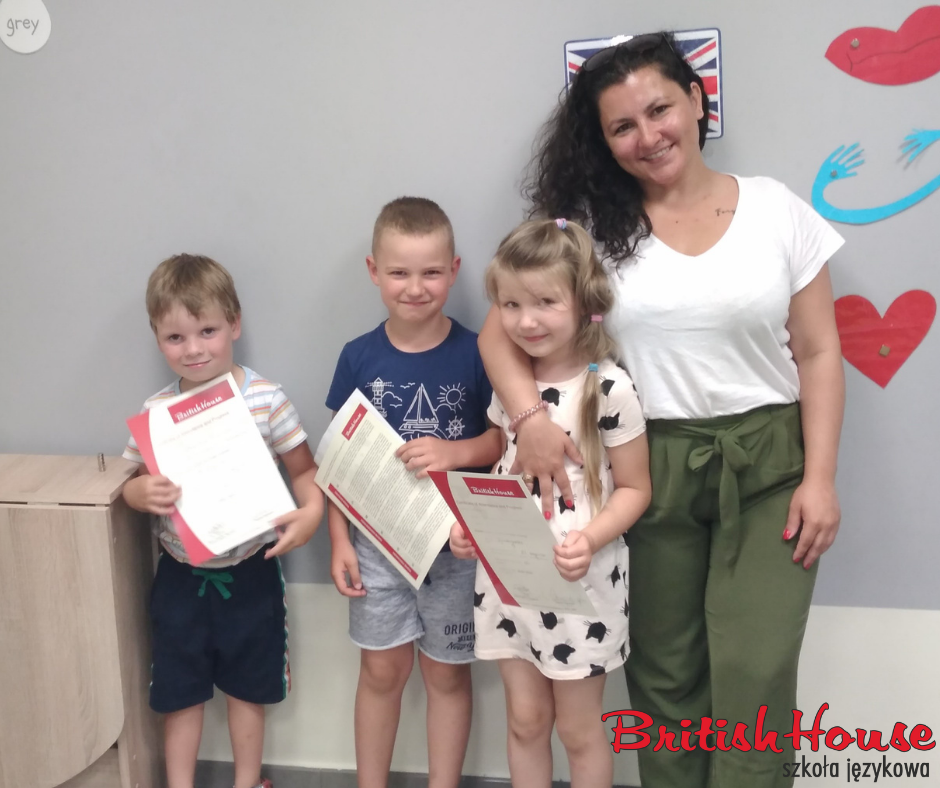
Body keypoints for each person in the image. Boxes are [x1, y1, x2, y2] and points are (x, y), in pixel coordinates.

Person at [478, 33, 846, 788]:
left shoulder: (776, 208)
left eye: (659, 110)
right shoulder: (586, 229)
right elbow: (499, 331)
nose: (647, 136)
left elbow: (818, 352)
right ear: (603, 140)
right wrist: (530, 420)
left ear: (697, 100)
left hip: (769, 466)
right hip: (644, 469)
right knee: (665, 671)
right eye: (622, 126)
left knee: (756, 667)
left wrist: (821, 479)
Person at [451, 218, 650, 788]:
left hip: (582, 586)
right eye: (511, 304)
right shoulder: (510, 385)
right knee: (525, 721)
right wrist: (473, 527)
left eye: (545, 302)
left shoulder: (609, 388)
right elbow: (502, 458)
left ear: (584, 302)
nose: (526, 321)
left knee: (579, 732)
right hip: (510, 582)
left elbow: (636, 488)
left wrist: (590, 539)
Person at [122, 254, 325, 788]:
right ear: (157, 338)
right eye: (175, 337)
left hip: (252, 570)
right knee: (178, 692)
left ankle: (247, 781)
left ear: (234, 324)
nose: (193, 349)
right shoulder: (155, 412)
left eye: (207, 331)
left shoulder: (265, 399)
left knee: (248, 688)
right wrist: (139, 492)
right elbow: (132, 482)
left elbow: (306, 473)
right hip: (179, 575)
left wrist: (310, 514)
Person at [325, 197, 502, 788]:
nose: (416, 287)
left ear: (454, 271)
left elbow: (502, 440)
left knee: (448, 676)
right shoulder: (357, 357)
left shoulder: (478, 352)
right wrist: (338, 541)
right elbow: (339, 462)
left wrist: (453, 452)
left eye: (431, 272)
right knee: (380, 674)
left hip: (456, 548)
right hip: (376, 548)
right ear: (374, 271)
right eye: (399, 272)